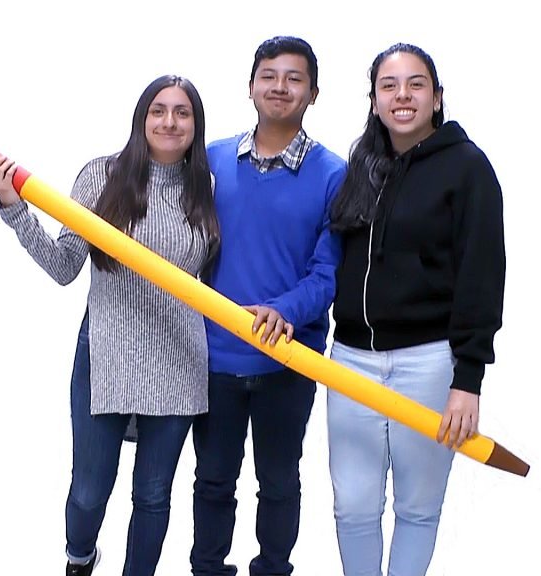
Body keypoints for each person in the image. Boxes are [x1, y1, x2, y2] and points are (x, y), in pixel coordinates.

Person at [0, 75, 220, 576]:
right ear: (141, 118)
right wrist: (15, 208)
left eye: (183, 113)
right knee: (89, 492)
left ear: (196, 125)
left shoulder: (209, 187)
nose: (169, 122)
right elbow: (64, 266)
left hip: (179, 360)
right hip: (108, 351)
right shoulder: (102, 176)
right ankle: (80, 558)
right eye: (158, 110)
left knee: (152, 495)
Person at [327, 43, 506, 576]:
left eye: (415, 84)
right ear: (374, 100)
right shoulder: (362, 167)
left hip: (428, 363)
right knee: (353, 507)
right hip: (350, 361)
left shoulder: (468, 168)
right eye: (389, 86)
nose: (402, 96)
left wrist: (467, 379)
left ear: (437, 97)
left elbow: (482, 274)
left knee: (418, 508)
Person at [190, 36, 346, 576]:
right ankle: (207, 568)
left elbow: (328, 273)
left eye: (294, 78)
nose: (280, 87)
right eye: (269, 76)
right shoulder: (211, 161)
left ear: (313, 93)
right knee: (212, 480)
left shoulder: (334, 174)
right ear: (251, 86)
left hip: (289, 359)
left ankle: (274, 569)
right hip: (214, 357)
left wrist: (284, 310)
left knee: (279, 483)